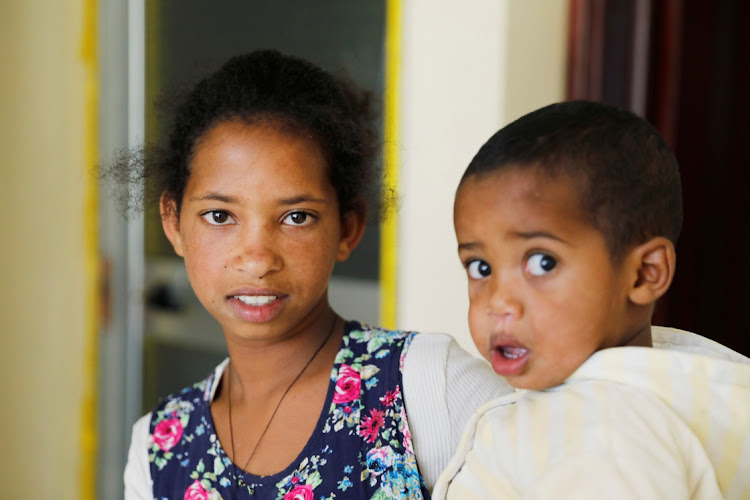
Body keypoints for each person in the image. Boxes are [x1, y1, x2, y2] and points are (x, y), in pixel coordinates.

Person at [117, 50, 512, 499]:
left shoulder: (425, 387)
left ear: (348, 226)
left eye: (297, 217)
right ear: (173, 223)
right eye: (220, 216)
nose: (258, 259)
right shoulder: (158, 447)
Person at [432, 100, 750, 499]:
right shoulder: (673, 385)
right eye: (480, 267)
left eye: (542, 262)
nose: (498, 302)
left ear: (644, 273)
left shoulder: (605, 429)